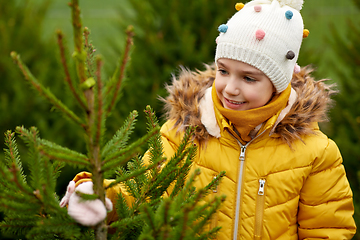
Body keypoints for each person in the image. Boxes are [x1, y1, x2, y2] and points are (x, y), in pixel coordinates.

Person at [60, 0, 357, 239]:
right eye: (224, 71)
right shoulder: (184, 133)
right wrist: (101, 195)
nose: (230, 87)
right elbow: (141, 189)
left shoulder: (315, 153)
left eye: (249, 78)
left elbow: (329, 230)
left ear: (279, 83)